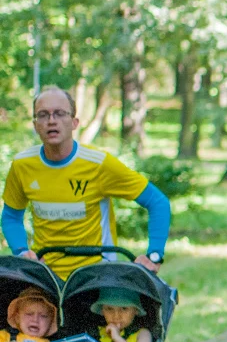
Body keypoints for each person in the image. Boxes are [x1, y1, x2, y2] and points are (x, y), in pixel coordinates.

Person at [2, 86, 171, 279]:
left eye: (59, 113)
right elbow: (11, 216)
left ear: (74, 122)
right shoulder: (22, 165)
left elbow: (157, 202)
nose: (51, 121)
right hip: (45, 273)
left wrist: (155, 255)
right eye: (43, 115)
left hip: (97, 274)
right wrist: (22, 251)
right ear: (35, 125)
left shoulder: (99, 164)